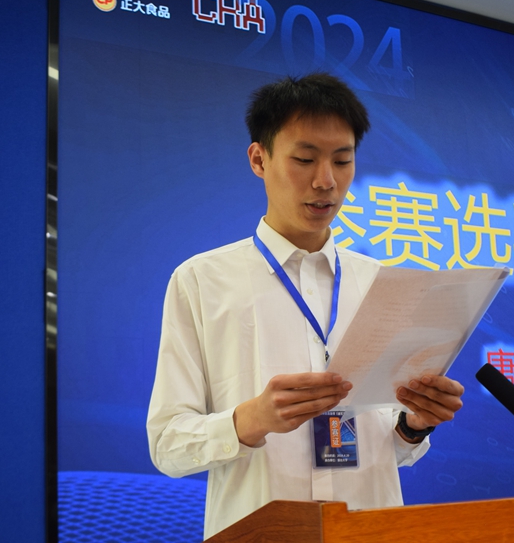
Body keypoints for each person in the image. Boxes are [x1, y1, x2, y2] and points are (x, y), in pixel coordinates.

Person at [146, 73, 465, 539]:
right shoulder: (201, 280)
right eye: (304, 159)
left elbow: (386, 448)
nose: (326, 181)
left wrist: (415, 425)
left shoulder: (381, 283)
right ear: (259, 159)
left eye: (343, 160)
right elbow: (167, 444)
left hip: (371, 529)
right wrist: (251, 420)